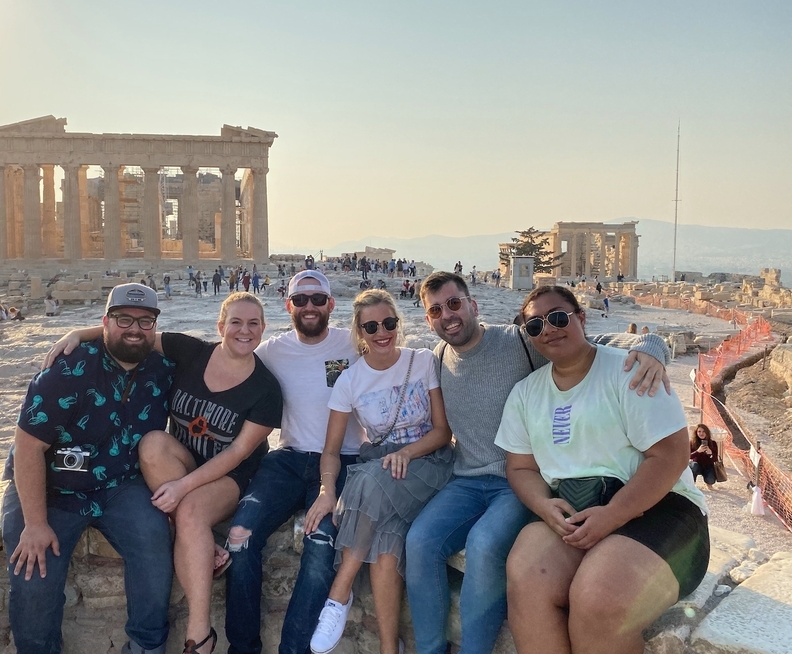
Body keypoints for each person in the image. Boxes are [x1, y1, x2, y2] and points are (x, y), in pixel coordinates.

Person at [405, 271, 671, 654]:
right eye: (435, 310)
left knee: (483, 545)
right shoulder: (438, 357)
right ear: (428, 320)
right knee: (419, 541)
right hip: (465, 480)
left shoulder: (519, 338)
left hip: (518, 481)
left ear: (472, 305)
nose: (447, 315)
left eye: (453, 303)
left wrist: (652, 345)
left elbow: (591, 343)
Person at [48, 293, 284, 654]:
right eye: (236, 322)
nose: (244, 330)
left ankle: (199, 633)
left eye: (254, 323)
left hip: (232, 476)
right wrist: (80, 333)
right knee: (153, 443)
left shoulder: (266, 389)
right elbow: (135, 335)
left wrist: (181, 487)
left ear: (263, 330)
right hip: (183, 459)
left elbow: (238, 453)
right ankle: (201, 541)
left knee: (190, 511)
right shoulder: (190, 350)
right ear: (221, 326)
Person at [495, 285, 708, 654]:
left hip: (659, 507)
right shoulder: (526, 393)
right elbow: (521, 467)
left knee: (599, 599)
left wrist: (613, 515)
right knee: (527, 580)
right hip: (576, 508)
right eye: (534, 326)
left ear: (581, 317)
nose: (548, 329)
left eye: (558, 317)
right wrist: (544, 505)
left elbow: (671, 456)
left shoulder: (630, 371)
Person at [1, 284, 176, 654]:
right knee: (34, 574)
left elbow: (224, 354)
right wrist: (34, 523)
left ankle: (146, 648)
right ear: (105, 322)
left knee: (153, 540)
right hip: (51, 487)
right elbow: (28, 447)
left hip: (120, 483)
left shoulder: (164, 367)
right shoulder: (67, 368)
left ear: (155, 327)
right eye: (123, 319)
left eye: (145, 322)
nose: (134, 329)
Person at [223, 270, 363, 654]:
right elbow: (212, 356)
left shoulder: (355, 344)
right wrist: (82, 334)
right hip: (288, 458)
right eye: (300, 300)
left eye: (318, 299)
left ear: (331, 305)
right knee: (240, 538)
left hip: (346, 461)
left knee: (320, 549)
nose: (310, 307)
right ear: (289, 306)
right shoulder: (271, 351)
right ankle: (243, 647)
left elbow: (402, 356)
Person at [307, 290, 453, 654]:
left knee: (367, 479)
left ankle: (339, 594)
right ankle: (391, 648)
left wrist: (407, 451)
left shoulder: (421, 361)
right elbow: (330, 450)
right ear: (360, 331)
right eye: (371, 326)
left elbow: (442, 431)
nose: (381, 331)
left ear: (398, 324)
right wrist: (327, 491)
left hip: (427, 460)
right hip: (385, 466)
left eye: (388, 323)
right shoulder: (349, 381)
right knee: (386, 548)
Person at [689, 424, 719, 489]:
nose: (701, 433)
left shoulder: (713, 443)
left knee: (710, 480)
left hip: (708, 466)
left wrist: (710, 453)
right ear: (696, 433)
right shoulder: (692, 442)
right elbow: (688, 456)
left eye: (703, 431)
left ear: (707, 432)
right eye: (699, 431)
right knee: (694, 466)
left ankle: (708, 483)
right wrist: (697, 451)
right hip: (696, 465)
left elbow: (715, 459)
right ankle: (692, 484)